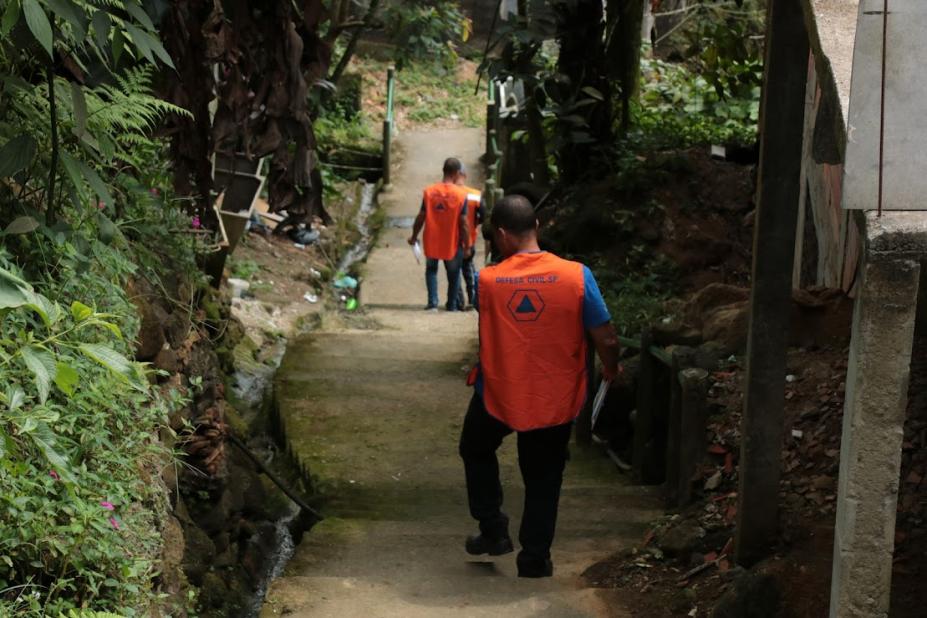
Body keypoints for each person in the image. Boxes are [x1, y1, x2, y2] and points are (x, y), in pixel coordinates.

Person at [458, 194, 621, 578]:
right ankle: (534, 559)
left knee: (475, 448)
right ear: (538, 227)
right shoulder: (577, 275)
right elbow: (607, 338)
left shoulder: (488, 282)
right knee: (544, 476)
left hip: (499, 392)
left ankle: (493, 529)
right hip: (554, 394)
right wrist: (611, 369)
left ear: (500, 234)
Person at [408, 158, 471, 311]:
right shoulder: (461, 194)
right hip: (452, 241)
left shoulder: (430, 192)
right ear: (457, 173)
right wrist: (467, 244)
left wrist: (414, 235)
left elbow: (421, 216)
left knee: (431, 270)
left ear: (443, 171)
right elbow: (464, 223)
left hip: (432, 239)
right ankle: (451, 306)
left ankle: (432, 303)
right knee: (454, 274)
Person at [455, 170, 485, 310]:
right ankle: (473, 299)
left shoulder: (447, 193)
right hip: (470, 238)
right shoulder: (475, 194)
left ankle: (458, 302)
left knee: (453, 273)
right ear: (464, 176)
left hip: (450, 240)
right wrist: (474, 225)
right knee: (468, 269)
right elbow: (484, 215)